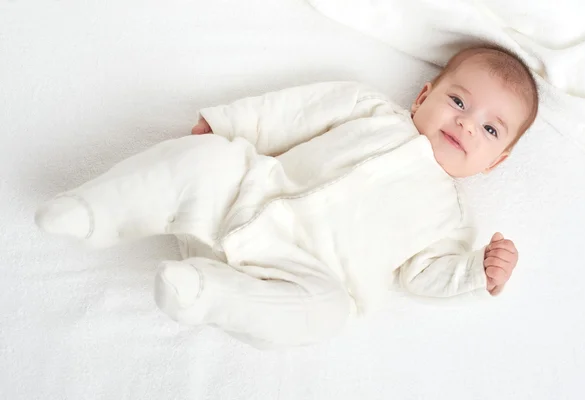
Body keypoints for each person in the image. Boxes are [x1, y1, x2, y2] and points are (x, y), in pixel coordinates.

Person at [35, 45, 538, 348]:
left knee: (329, 313)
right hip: (251, 193)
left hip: (305, 272)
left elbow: (425, 273)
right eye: (458, 101)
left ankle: (206, 293)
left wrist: (476, 272)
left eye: (491, 130)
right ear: (423, 96)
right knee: (211, 158)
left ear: (496, 162)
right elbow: (293, 113)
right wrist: (230, 123)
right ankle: (94, 209)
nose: (466, 124)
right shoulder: (369, 108)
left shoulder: (448, 217)